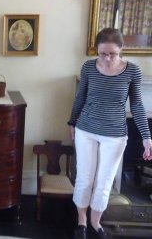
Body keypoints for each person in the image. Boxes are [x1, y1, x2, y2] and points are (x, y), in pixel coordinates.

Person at [68, 28, 152, 239]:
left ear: (121, 50)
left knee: (105, 181)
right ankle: (81, 222)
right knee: (84, 178)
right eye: (102, 53)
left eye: (112, 54)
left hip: (114, 135)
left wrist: (146, 136)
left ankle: (96, 222)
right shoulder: (88, 67)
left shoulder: (132, 71)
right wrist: (72, 122)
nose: (106, 58)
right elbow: (80, 98)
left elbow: (137, 105)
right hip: (85, 130)